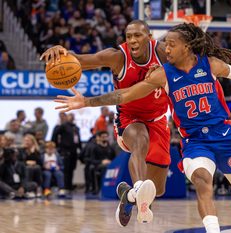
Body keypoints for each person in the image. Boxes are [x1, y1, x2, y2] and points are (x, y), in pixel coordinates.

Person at [53, 23, 231, 233]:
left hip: (224, 135)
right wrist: (85, 101)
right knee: (202, 181)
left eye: (172, 44)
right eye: (166, 44)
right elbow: (125, 95)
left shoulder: (209, 64)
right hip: (191, 140)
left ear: (186, 46)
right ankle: (148, 194)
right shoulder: (159, 73)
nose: (167, 48)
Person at [40, 20, 171, 226]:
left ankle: (128, 195)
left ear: (149, 37)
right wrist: (62, 53)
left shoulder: (163, 52)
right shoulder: (118, 57)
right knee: (140, 139)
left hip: (158, 119)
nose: (133, 40)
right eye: (129, 36)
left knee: (158, 189)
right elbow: (82, 60)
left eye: (138, 35)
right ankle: (137, 187)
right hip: (129, 118)